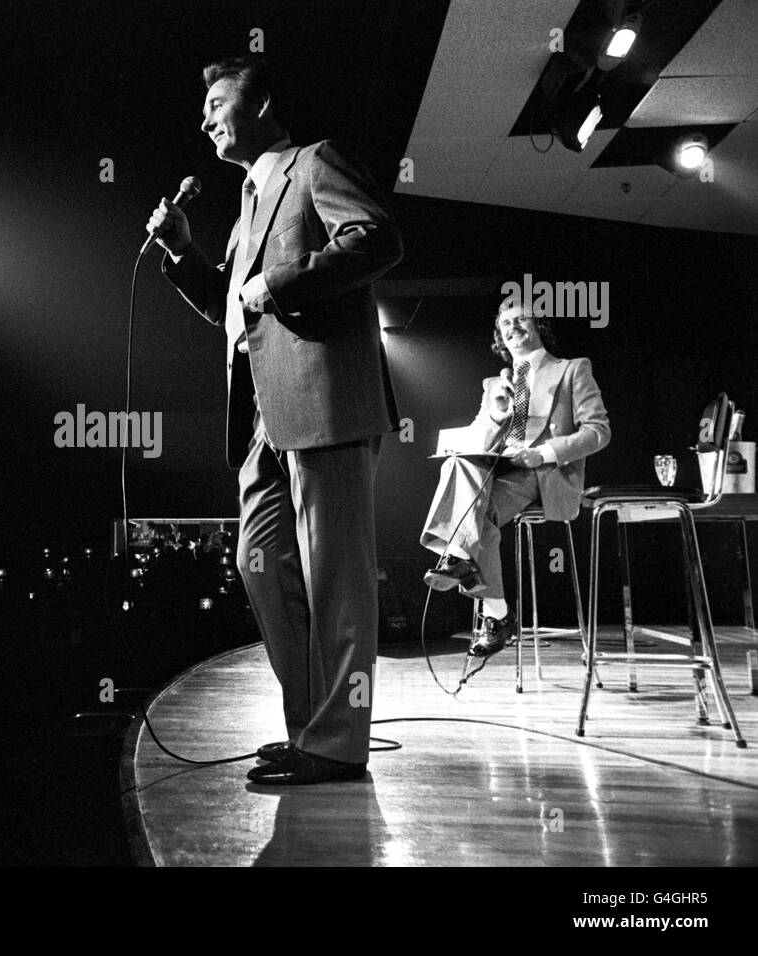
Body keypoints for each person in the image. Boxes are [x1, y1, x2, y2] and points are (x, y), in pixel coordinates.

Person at [146, 56, 403, 785]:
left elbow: (378, 238)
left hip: (324, 401)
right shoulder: (246, 209)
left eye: (219, 101)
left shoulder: (312, 164)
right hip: (261, 416)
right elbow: (233, 313)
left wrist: (276, 282)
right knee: (258, 565)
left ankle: (337, 744)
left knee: (336, 581)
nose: (205, 118)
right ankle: (311, 728)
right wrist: (181, 253)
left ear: (261, 105)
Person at [420, 301, 611, 656]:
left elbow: (598, 432)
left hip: (542, 471)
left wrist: (543, 453)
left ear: (539, 326)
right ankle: (490, 603)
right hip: (498, 466)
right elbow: (478, 439)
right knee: (456, 465)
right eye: (504, 322)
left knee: (479, 515)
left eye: (520, 319)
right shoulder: (496, 382)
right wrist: (495, 413)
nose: (512, 326)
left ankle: (470, 574)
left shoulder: (571, 370)